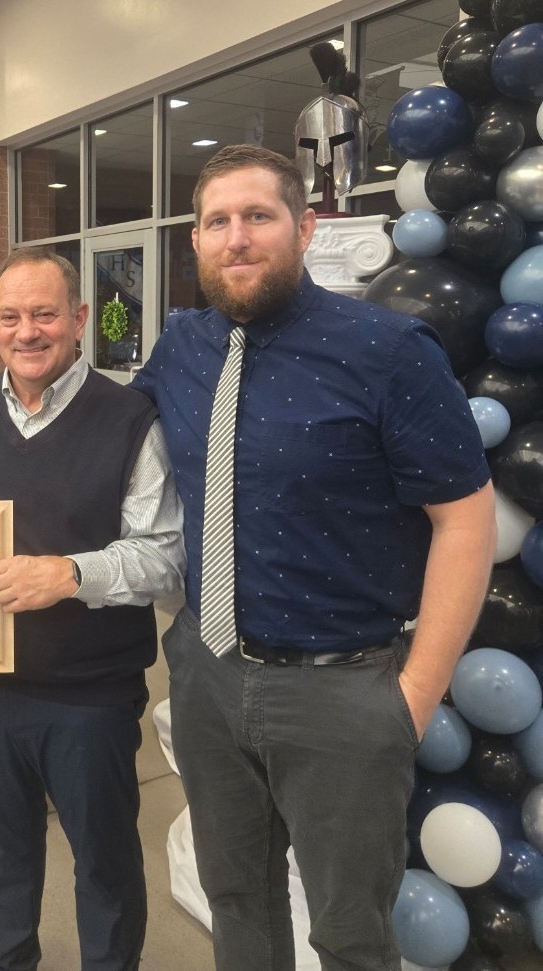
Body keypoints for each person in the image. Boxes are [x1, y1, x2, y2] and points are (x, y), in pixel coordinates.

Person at [129, 144, 496, 971]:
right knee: (236, 901)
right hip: (207, 676)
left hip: (342, 692)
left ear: (304, 227)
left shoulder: (388, 349)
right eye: (217, 221)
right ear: (195, 239)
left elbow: (465, 519)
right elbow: (101, 427)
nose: (236, 237)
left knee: (349, 933)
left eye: (257, 216)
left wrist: (411, 697)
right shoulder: (180, 345)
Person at [0, 247, 185, 971]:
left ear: (80, 317)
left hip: (90, 696)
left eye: (44, 314)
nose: (26, 332)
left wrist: (69, 574)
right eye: (10, 317)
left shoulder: (129, 420)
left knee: (104, 862)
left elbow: (163, 556)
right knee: (2, 855)